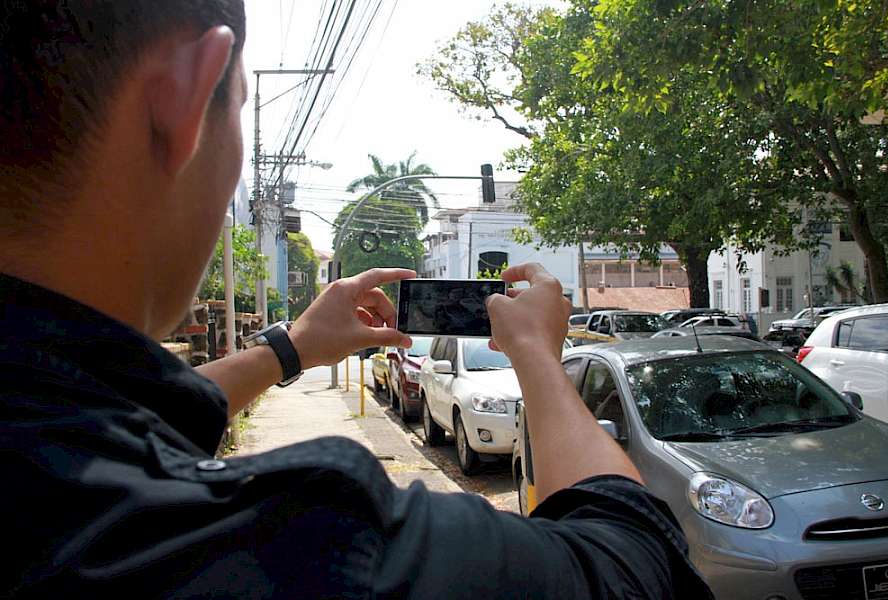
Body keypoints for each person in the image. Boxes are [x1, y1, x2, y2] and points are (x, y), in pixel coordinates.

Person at [0, 2, 714, 598]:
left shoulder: (51, 450)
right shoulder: (300, 547)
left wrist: (291, 348)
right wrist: (537, 358)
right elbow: (639, 561)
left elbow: (126, 420)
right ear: (188, 92)